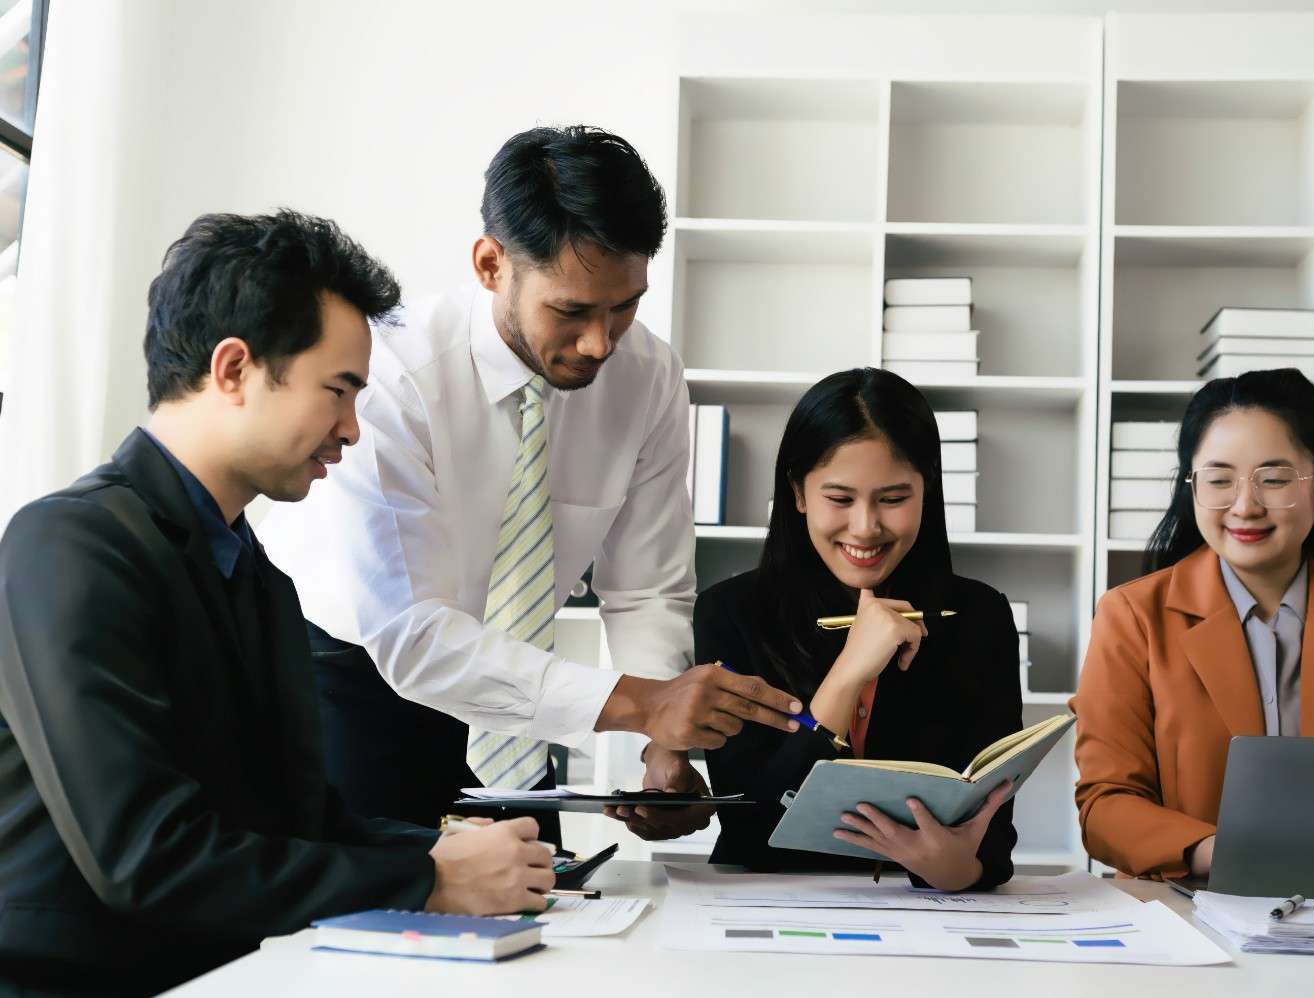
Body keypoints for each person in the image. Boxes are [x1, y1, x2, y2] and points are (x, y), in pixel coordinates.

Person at [0, 211, 559, 996]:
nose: (352, 430)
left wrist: (469, 851)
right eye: (338, 391)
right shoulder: (70, 544)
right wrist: (425, 878)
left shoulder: (260, 577)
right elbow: (148, 857)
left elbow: (300, 820)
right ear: (234, 369)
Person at [257, 125, 799, 842]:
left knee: (531, 911)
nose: (601, 342)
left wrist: (662, 745)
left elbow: (645, 588)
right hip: (347, 677)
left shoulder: (647, 375)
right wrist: (642, 704)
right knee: (378, 924)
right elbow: (412, 633)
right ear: (490, 264)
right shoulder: (390, 372)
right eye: (572, 311)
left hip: (516, 692)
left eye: (625, 305)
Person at [1071, 368, 1314, 881]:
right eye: (1220, 479)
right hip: (1188, 908)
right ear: (1192, 488)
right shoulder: (1132, 617)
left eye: (1273, 479)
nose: (1245, 506)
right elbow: (1106, 805)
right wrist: (1221, 852)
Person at [697, 368, 1023, 892]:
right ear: (798, 493)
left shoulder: (979, 615)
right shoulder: (729, 612)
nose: (866, 527)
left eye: (893, 499)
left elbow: (994, 837)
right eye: (840, 499)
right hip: (763, 903)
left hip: (923, 914)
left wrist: (957, 870)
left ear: (927, 492)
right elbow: (752, 824)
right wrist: (848, 672)